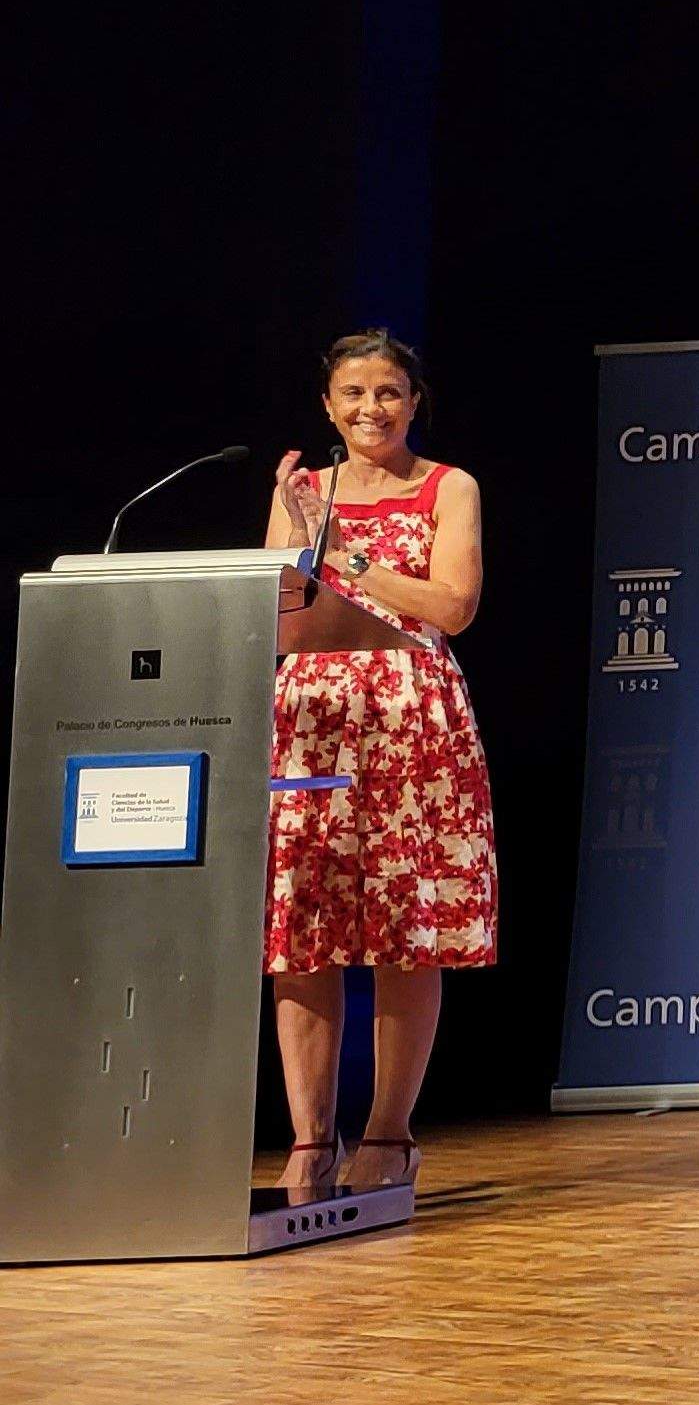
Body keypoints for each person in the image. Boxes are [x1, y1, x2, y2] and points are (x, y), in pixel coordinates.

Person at [263, 329, 496, 1197]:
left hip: (409, 716)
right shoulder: (304, 491)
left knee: (409, 926)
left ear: (413, 401)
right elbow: (274, 608)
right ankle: (307, 1139)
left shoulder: (448, 486)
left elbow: (453, 603)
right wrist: (293, 527)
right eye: (353, 394)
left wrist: (350, 556)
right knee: (302, 926)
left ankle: (389, 1136)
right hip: (311, 714)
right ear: (327, 405)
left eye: (389, 392)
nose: (372, 409)